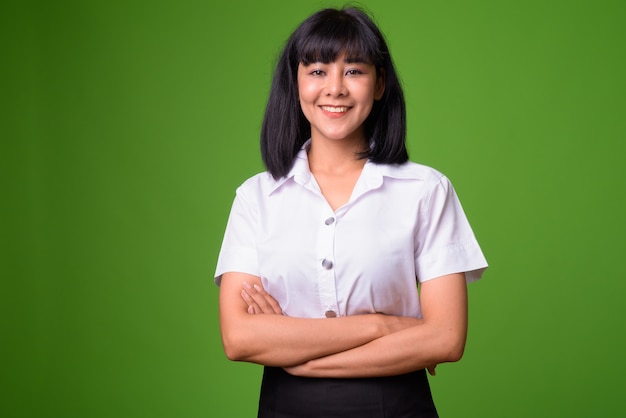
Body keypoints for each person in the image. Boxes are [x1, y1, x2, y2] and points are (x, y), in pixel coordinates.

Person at [214, 6, 488, 417]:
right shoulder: (256, 198)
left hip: (396, 406)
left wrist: (295, 351)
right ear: (296, 83)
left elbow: (446, 339)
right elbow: (239, 338)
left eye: (354, 71)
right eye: (318, 71)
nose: (336, 88)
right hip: (285, 408)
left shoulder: (426, 191)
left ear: (379, 84)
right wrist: (383, 325)